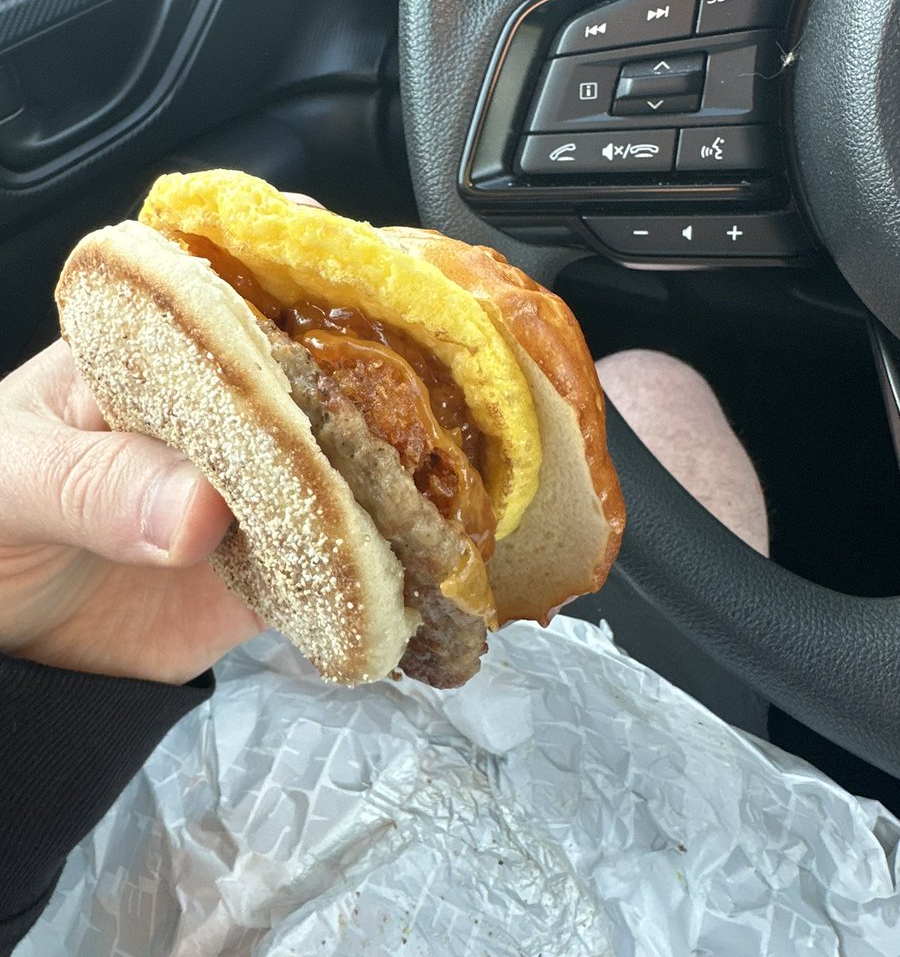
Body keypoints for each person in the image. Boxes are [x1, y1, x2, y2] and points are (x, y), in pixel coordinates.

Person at [0, 338, 768, 954]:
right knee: (651, 388)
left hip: (120, 767)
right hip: (650, 836)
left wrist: (49, 686)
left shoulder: (101, 615)